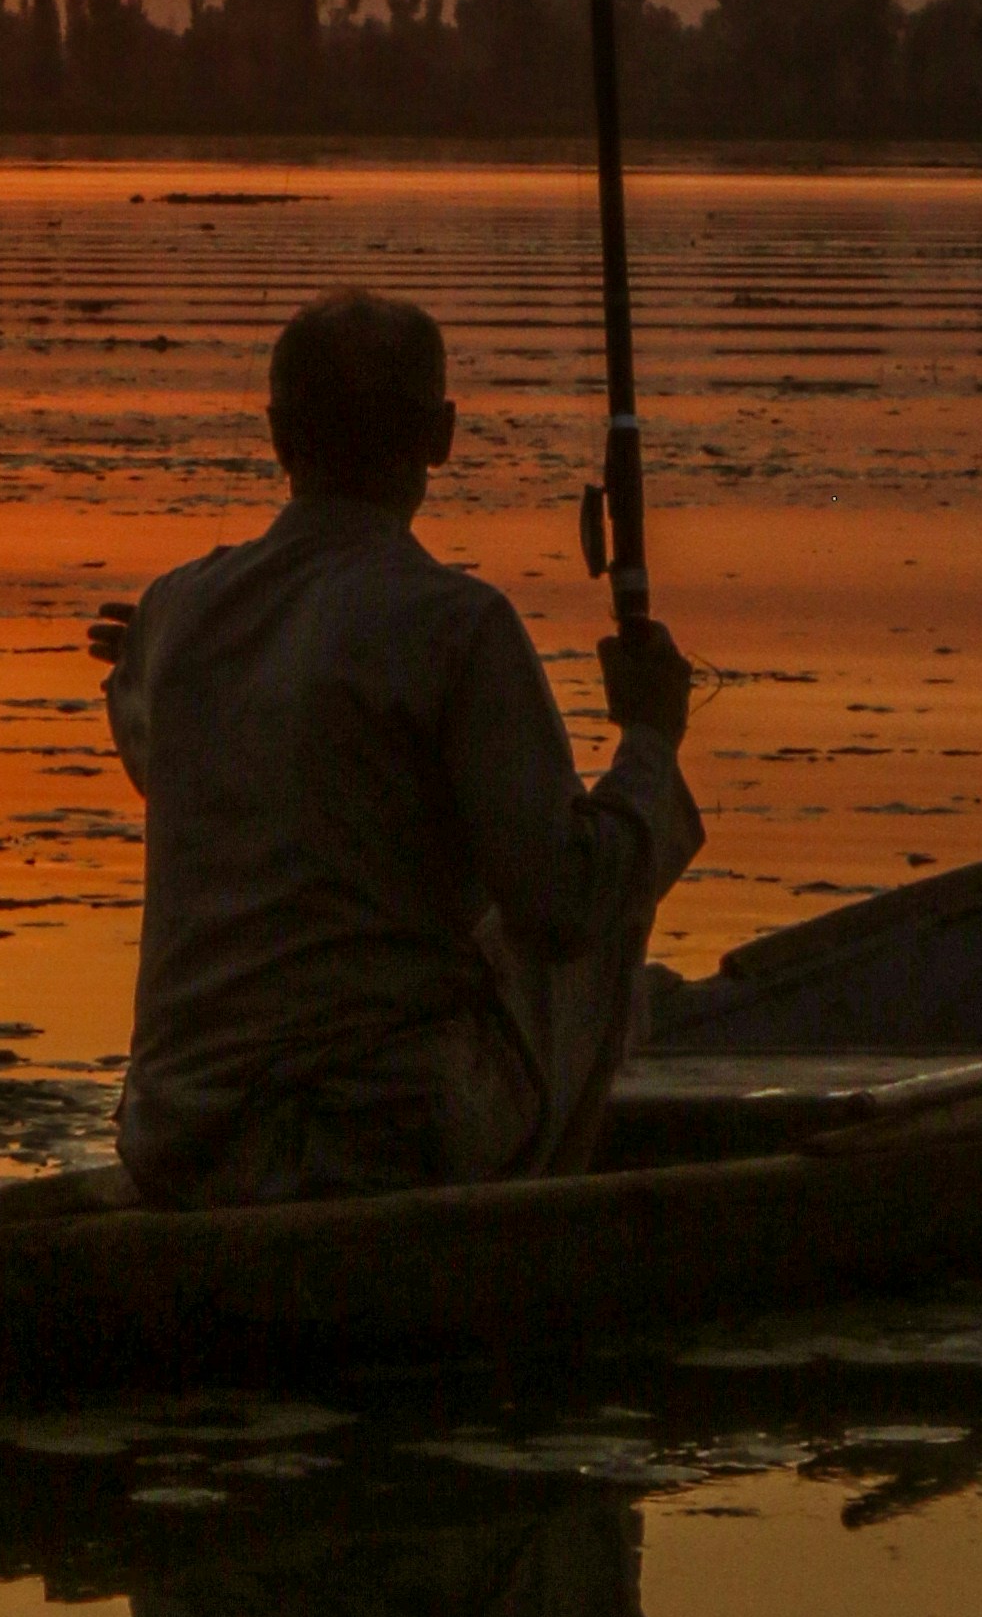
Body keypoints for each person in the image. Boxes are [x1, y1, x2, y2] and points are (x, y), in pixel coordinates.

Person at [90, 281, 698, 1205]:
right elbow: (564, 903)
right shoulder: (459, 626)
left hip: (181, 1131)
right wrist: (650, 741)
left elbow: (177, 762)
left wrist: (158, 655)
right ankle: (526, 1235)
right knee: (601, 914)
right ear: (442, 434)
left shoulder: (174, 611)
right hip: (378, 1138)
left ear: (277, 436)